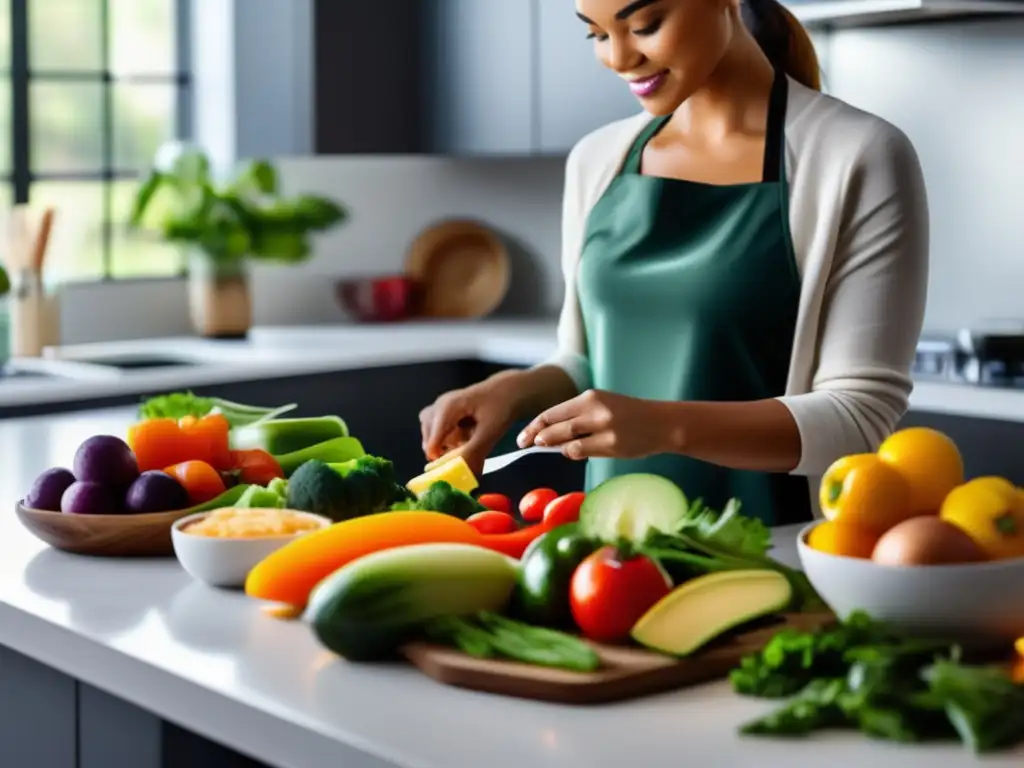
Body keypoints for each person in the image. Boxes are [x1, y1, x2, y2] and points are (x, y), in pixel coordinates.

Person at [419, 0, 929, 525]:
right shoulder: (597, 159)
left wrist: (664, 427)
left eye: (645, 25)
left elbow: (858, 417)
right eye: (595, 34)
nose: (618, 58)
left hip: (770, 555)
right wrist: (513, 390)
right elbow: (590, 360)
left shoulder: (857, 155)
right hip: (611, 562)